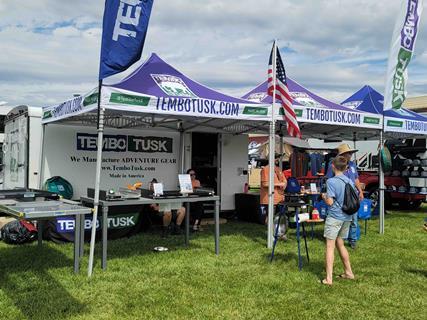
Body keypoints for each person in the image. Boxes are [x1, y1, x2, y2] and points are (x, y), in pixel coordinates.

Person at [321, 156, 355, 285]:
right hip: (347, 217)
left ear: (332, 167)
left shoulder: (331, 181)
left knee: (330, 246)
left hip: (335, 216)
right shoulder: (349, 181)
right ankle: (348, 272)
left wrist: (324, 196)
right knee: (340, 244)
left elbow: (330, 202)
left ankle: (329, 278)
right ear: (346, 168)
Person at [326, 143, 363, 249]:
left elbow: (356, 178)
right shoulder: (333, 165)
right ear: (343, 154)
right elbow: (329, 178)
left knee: (354, 219)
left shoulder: (352, 165)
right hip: (340, 196)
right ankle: (339, 238)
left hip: (352, 195)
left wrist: (360, 191)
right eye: (349, 153)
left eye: (351, 153)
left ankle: (353, 240)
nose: (350, 155)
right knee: (340, 217)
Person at [260, 153, 288, 238]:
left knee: (281, 216)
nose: (278, 159)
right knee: (270, 217)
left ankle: (280, 233)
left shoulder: (278, 169)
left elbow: (285, 181)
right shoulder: (265, 169)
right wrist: (279, 184)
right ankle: (270, 234)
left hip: (280, 198)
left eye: (279, 158)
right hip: (269, 198)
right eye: (277, 158)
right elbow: (265, 184)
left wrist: (284, 184)